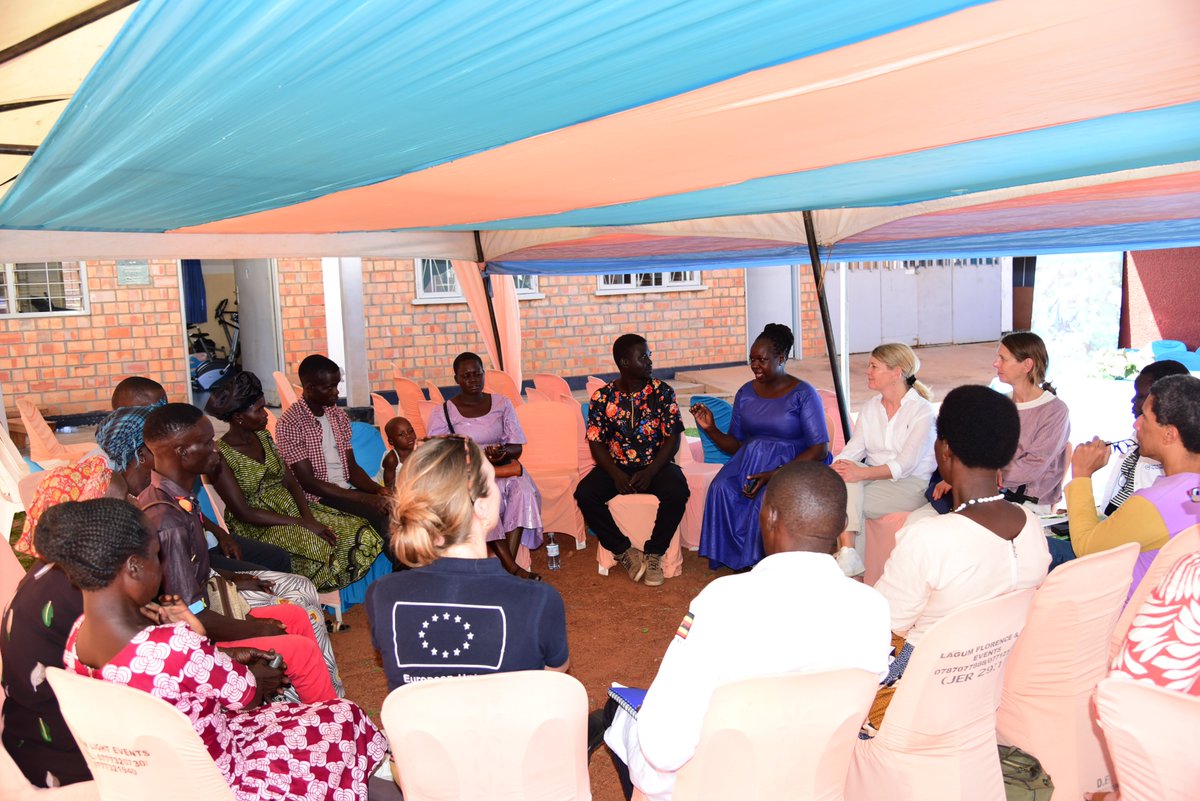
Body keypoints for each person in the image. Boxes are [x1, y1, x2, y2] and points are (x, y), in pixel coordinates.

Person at [38, 498, 387, 801]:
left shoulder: (76, 639)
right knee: (343, 716)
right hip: (227, 779)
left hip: (162, 777)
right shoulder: (176, 646)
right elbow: (247, 695)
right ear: (132, 567)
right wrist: (226, 654)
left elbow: (154, 680)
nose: (162, 568)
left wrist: (197, 642)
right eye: (156, 557)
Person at [603, 462, 891, 801]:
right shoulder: (872, 607)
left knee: (618, 719)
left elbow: (664, 749)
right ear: (842, 525)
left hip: (719, 787)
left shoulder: (723, 602)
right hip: (813, 782)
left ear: (766, 517)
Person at [870, 385, 1051, 726]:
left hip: (910, 706)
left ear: (945, 449)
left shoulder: (929, 538)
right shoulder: (1031, 526)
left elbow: (879, 629)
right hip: (984, 694)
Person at [138, 402, 341, 702]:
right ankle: (325, 718)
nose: (215, 450)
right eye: (206, 444)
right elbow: (190, 619)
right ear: (182, 452)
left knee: (296, 616)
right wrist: (255, 626)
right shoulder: (166, 521)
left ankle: (325, 704)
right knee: (300, 649)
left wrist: (233, 579)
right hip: (194, 638)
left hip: (209, 612)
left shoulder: (177, 498)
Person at [0, 404, 155, 788]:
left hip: (30, 733)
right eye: (155, 558)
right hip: (84, 756)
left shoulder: (55, 571)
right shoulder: (92, 598)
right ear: (130, 564)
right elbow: (151, 687)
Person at [365, 436, 569, 690]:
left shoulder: (381, 594)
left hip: (424, 729)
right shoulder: (538, 599)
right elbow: (554, 676)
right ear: (481, 507)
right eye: (492, 480)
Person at [205, 371, 384, 592]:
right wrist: (303, 524)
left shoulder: (264, 437)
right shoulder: (221, 455)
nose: (266, 415)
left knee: (359, 531)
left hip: (292, 510)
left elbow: (290, 481)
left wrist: (307, 516)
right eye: (259, 410)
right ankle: (302, 596)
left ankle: (330, 598)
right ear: (239, 417)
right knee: (318, 545)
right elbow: (244, 512)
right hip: (257, 525)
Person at [109, 374, 292, 574]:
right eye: (154, 409)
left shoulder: (172, 449)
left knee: (277, 558)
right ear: (125, 411)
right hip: (182, 556)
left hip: (202, 541)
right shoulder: (112, 467)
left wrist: (221, 533)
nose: (164, 413)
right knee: (268, 575)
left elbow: (187, 504)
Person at [694, 323, 829, 571]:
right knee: (720, 488)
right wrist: (711, 428)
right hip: (749, 463)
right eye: (752, 359)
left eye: (762, 359)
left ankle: (760, 565)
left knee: (764, 499)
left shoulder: (804, 393)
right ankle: (733, 559)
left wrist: (777, 473)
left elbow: (819, 447)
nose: (755, 365)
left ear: (781, 358)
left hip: (793, 466)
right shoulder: (745, 392)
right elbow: (735, 444)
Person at [1067, 374, 1200, 598]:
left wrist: (1081, 475)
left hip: (1135, 622)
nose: (1136, 424)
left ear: (1169, 434)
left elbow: (1087, 548)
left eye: (1145, 418)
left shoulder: (1156, 503)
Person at [575, 334, 690, 587]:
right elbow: (596, 442)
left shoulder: (662, 392)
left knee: (677, 490)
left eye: (649, 355)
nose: (650, 360)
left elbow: (672, 440)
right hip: (616, 467)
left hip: (656, 465)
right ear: (625, 362)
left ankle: (654, 553)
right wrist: (615, 474)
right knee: (585, 493)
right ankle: (624, 551)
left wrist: (650, 472)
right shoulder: (602, 398)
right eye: (643, 356)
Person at [426, 352, 544, 580]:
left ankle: (503, 569)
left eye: (477, 374)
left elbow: (516, 447)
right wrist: (476, 455)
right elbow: (438, 453)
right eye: (466, 376)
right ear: (456, 379)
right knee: (482, 497)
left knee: (523, 490)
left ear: (483, 374)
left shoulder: (502, 403)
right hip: (469, 474)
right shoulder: (443, 412)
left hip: (502, 469)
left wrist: (500, 452)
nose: (473, 380)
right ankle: (511, 570)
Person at [831, 343, 937, 577]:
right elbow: (854, 449)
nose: (867, 371)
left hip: (912, 484)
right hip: (874, 478)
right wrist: (835, 467)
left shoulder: (922, 411)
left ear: (896, 372)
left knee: (846, 502)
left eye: (874, 366)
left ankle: (851, 568)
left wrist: (861, 474)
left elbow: (906, 464)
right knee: (846, 473)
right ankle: (849, 558)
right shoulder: (871, 407)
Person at [276, 354, 391, 537]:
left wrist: (377, 490)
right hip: (319, 499)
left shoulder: (337, 415)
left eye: (337, 385)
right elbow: (309, 483)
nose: (336, 392)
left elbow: (352, 468)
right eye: (329, 387)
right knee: (385, 520)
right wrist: (365, 498)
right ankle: (409, 564)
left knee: (402, 509)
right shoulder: (290, 423)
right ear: (309, 388)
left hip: (346, 491)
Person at [991, 332, 1071, 510]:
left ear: (1027, 365)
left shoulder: (1054, 411)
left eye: (1003, 358)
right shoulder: (998, 403)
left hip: (1028, 505)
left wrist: (983, 473)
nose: (995, 363)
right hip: (990, 494)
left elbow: (1032, 466)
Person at [1100, 359, 1190, 514]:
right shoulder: (1139, 435)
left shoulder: (1175, 454)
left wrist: (1083, 475)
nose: (1133, 401)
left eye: (1141, 396)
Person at [381, 415, 417, 490]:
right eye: (401, 434)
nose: (408, 436)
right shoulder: (392, 459)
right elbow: (389, 486)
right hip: (387, 488)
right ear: (391, 441)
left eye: (410, 431)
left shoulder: (417, 452)